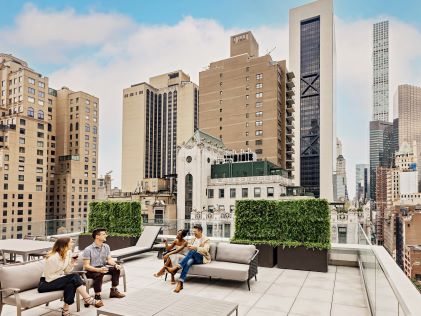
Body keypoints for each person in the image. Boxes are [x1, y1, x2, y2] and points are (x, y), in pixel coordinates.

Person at [38, 237, 103, 316]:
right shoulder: (52, 258)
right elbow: (49, 277)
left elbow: (67, 271)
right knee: (73, 277)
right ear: (65, 245)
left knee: (71, 284)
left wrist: (72, 263)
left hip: (56, 279)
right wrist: (64, 278)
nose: (73, 244)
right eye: (71, 242)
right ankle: (88, 299)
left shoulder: (68, 253)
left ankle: (65, 310)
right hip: (46, 283)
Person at [82, 228, 125, 305]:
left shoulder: (106, 246)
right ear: (97, 236)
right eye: (104, 234)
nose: (106, 235)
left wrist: (115, 264)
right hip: (91, 270)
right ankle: (97, 296)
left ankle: (113, 291)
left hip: (103, 267)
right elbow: (86, 266)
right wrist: (98, 270)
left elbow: (109, 259)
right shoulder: (88, 249)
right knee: (99, 274)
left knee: (116, 269)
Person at [166, 224, 211, 293]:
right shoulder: (193, 239)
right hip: (192, 257)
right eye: (193, 232)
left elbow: (205, 250)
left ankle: (176, 268)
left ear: (200, 231)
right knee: (188, 262)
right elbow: (188, 246)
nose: (194, 233)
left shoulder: (206, 239)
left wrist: (195, 248)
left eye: (195, 232)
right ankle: (180, 283)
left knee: (193, 251)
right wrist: (187, 246)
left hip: (201, 258)